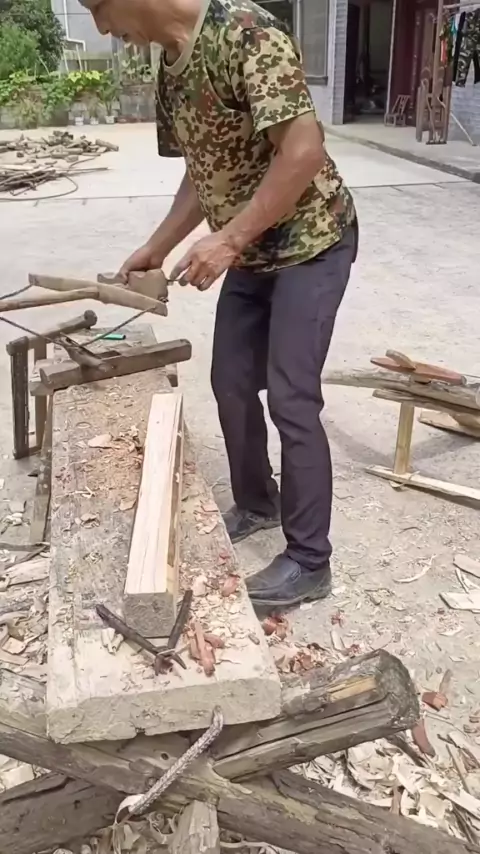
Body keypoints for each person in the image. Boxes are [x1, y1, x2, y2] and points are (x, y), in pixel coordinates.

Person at [81, 0, 358, 612]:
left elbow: (303, 150)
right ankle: (258, 503)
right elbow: (203, 171)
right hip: (251, 250)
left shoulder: (247, 34)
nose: (103, 29)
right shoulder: (170, 66)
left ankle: (310, 560)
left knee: (291, 396)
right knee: (230, 382)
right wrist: (157, 246)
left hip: (311, 241)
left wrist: (229, 239)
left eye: (99, 9)